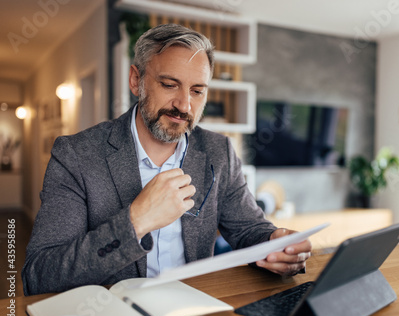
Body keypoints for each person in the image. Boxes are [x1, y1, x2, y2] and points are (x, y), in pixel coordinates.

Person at [22, 24, 311, 296]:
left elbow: (249, 230)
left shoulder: (218, 151)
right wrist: (136, 221)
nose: (184, 105)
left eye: (197, 91)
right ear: (137, 80)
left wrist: (277, 244)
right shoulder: (76, 155)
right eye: (170, 85)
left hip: (195, 312)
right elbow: (39, 276)